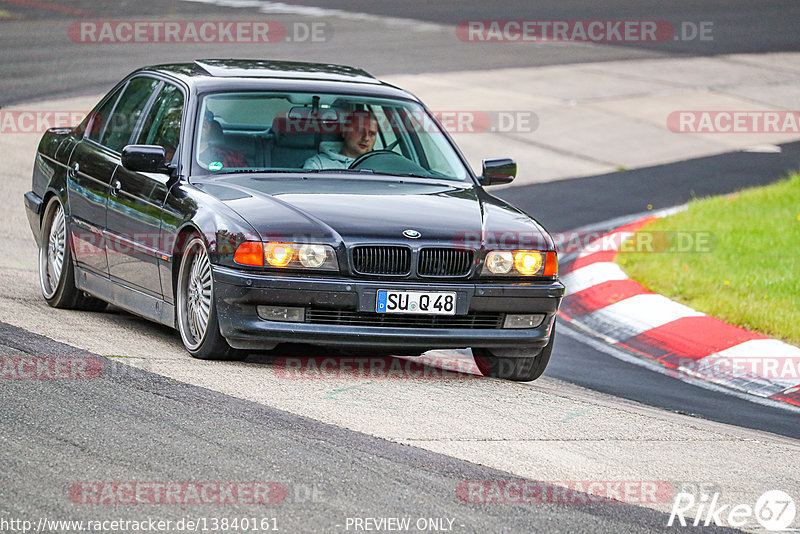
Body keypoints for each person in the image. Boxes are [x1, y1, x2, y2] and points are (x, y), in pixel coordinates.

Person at [303, 110, 378, 170]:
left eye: (371, 133)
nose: (366, 138)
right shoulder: (317, 165)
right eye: (360, 130)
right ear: (345, 131)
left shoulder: (380, 167)